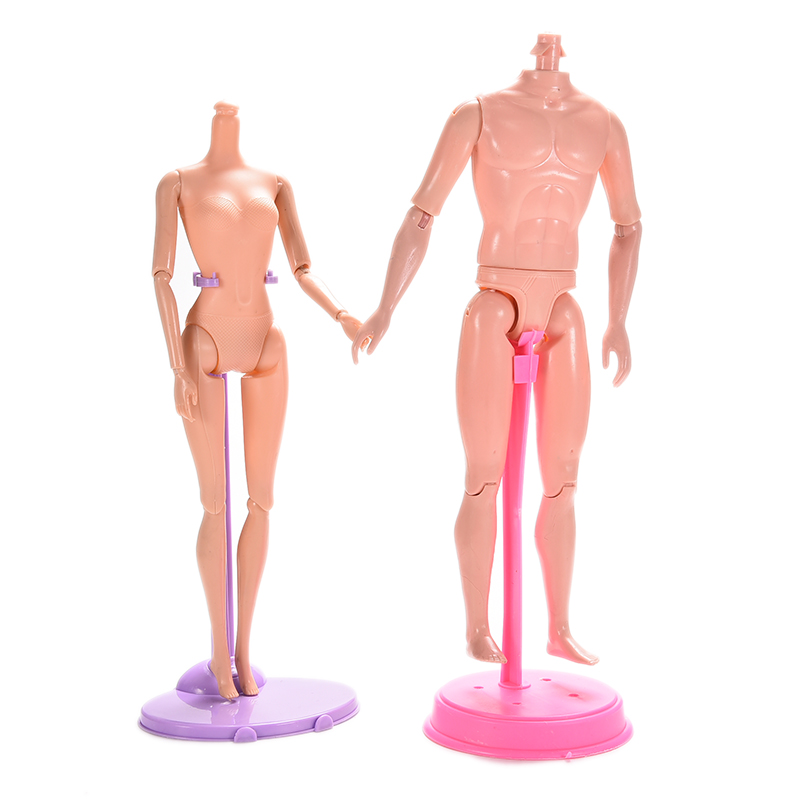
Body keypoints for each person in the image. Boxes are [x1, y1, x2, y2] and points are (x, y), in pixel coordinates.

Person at [352, 35, 641, 666]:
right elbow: (422, 214)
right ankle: (477, 627)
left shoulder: (604, 123)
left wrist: (618, 319)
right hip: (495, 303)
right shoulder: (478, 113)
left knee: (564, 477)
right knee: (483, 475)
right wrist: (386, 306)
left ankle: (558, 627)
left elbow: (628, 226)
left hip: (563, 305)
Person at [152, 101, 360, 699]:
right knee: (215, 502)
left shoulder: (276, 182)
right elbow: (161, 276)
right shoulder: (178, 182)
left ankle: (244, 649)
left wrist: (343, 316)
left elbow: (303, 267)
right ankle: (219, 653)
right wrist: (176, 366)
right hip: (205, 339)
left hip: (266, 337)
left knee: (262, 501)